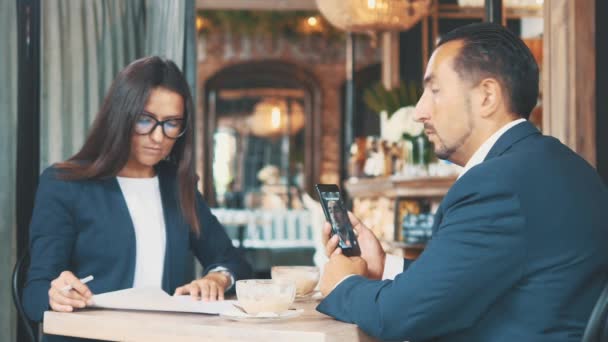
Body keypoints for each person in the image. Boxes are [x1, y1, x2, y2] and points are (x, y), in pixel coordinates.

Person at [317, 23, 608, 341]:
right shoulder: (558, 163)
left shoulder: (497, 184)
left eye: (435, 90)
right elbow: (477, 280)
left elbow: (398, 317)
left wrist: (344, 285)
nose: (419, 111)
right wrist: (385, 266)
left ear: (486, 96)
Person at [23, 57, 252, 340]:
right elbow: (33, 294)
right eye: (145, 120)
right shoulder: (65, 184)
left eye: (171, 124)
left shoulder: (177, 185)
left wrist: (217, 278)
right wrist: (54, 294)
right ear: (120, 116)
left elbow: (233, 262)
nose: (158, 136)